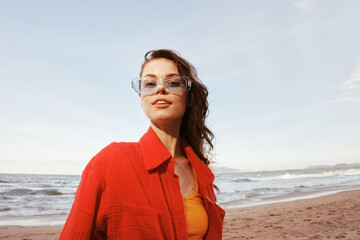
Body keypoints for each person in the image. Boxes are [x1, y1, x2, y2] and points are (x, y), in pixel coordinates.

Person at [59, 49, 225, 239]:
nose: (160, 89)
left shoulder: (201, 173)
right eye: (150, 83)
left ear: (188, 97)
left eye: (172, 82)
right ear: (140, 98)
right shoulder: (111, 161)